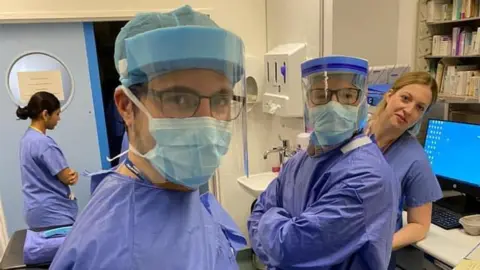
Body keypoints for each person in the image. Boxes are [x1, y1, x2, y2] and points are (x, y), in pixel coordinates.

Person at [51, 5, 247, 269]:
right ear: (126, 106)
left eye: (221, 99)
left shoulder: (177, 190)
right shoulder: (113, 253)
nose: (207, 121)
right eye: (179, 98)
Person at [248, 55, 399, 269]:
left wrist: (270, 220)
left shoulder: (368, 177)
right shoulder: (300, 160)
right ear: (308, 101)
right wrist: (275, 239)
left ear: (362, 102)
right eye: (321, 95)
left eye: (347, 95)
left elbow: (288, 248)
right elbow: (258, 211)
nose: (333, 106)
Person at [365, 71, 442, 270]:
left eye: (419, 107)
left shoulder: (415, 159)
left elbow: (420, 225)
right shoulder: (354, 133)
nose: (409, 110)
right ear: (389, 95)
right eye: (405, 98)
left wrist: (377, 246)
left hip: (370, 259)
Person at [16, 91, 79, 230]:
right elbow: (67, 178)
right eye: (57, 114)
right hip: (54, 213)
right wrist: (74, 175)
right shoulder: (44, 144)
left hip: (35, 211)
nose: (59, 119)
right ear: (45, 114)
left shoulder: (27, 139)